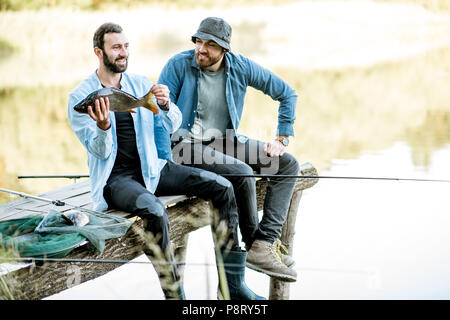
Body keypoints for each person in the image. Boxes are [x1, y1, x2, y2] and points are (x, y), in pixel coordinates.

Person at [68, 22, 264, 300]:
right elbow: (98, 152)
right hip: (117, 179)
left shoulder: (139, 83)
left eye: (125, 46)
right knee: (156, 211)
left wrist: (165, 105)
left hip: (154, 167)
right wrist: (102, 126)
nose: (123, 53)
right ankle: (176, 297)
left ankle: (233, 285)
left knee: (223, 187)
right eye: (116, 48)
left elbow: (172, 124)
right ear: (98, 52)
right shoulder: (80, 98)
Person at [158, 17, 299, 282]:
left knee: (286, 164)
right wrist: (162, 163)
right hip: (183, 147)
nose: (201, 49)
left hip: (223, 143)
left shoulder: (240, 67)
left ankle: (262, 244)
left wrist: (281, 138)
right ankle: (256, 243)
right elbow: (158, 116)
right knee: (241, 172)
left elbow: (287, 93)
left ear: (224, 50)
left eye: (210, 45)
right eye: (198, 41)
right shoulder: (178, 65)